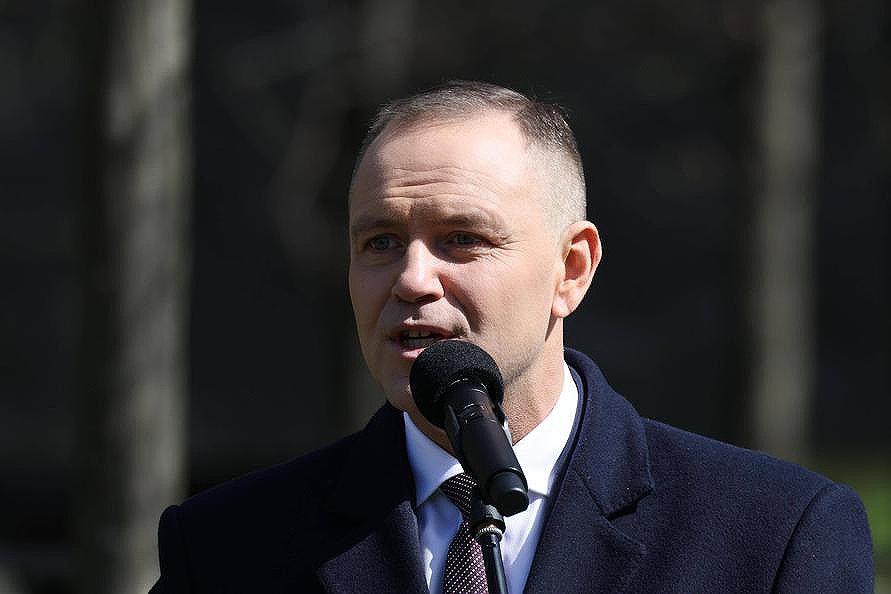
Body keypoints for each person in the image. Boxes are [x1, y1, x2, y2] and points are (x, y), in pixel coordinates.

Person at [150, 81, 873, 593]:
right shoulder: (223, 546)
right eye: (380, 242)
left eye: (462, 238)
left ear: (571, 269)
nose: (412, 279)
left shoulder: (773, 536)